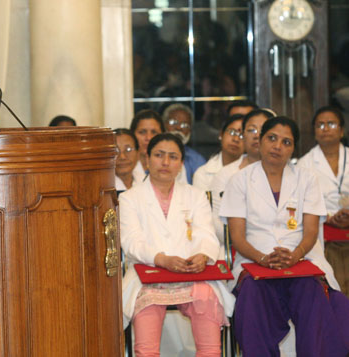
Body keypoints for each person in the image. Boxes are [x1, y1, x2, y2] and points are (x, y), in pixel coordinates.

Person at [220, 116, 349, 356]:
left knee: (312, 293)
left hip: (302, 260)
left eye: (286, 142)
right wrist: (262, 259)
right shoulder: (239, 180)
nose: (278, 146)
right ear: (260, 142)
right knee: (252, 298)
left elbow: (311, 231)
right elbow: (237, 237)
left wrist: (295, 256)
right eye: (272, 138)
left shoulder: (307, 179)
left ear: (293, 149)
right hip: (254, 262)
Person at [121, 133, 234, 357]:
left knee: (206, 305)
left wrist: (202, 256)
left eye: (173, 157)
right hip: (148, 275)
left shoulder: (196, 195)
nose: (165, 163)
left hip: (191, 272)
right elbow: (131, 241)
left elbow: (206, 234)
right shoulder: (129, 198)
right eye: (159, 155)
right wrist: (161, 259)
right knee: (146, 345)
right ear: (147, 159)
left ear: (181, 163)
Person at [298, 106, 349, 296]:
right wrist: (327, 217)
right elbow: (302, 203)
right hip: (322, 227)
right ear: (314, 132)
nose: (325, 128)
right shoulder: (304, 164)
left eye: (331, 123)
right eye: (320, 125)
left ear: (342, 130)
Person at [209, 109, 274, 242]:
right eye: (251, 130)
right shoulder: (225, 175)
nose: (256, 136)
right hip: (235, 247)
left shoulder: (288, 173)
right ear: (243, 135)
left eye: (262, 130)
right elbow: (216, 224)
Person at [192, 114, 244, 191]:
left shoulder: (253, 171)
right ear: (221, 134)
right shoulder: (203, 173)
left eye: (242, 135)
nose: (236, 139)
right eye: (232, 132)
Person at [162, 104, 206, 184]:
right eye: (173, 122)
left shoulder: (197, 160)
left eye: (185, 125)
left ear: (190, 131)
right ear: (164, 125)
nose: (179, 128)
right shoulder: (155, 155)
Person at [130, 109, 165, 183]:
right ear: (132, 135)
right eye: (142, 132)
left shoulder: (172, 165)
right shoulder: (124, 166)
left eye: (154, 132)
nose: (148, 138)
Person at [113, 128, 139, 193]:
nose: (122, 157)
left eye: (128, 149)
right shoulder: (102, 188)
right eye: (115, 150)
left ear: (138, 153)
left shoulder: (145, 181)